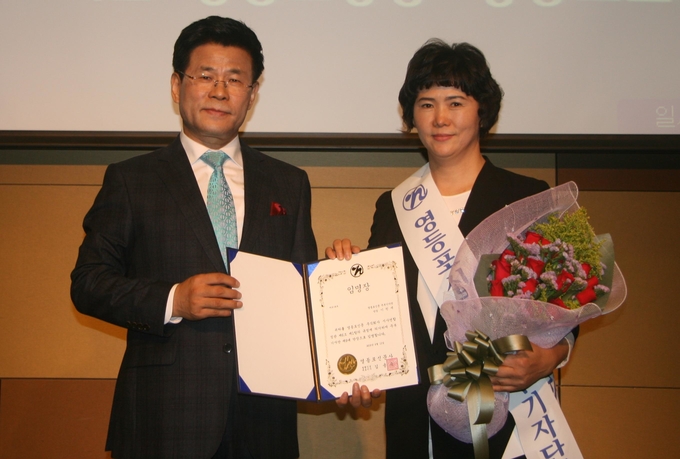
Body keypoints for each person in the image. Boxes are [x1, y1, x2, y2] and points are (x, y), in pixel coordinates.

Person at [71, 16, 317, 459]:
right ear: (176, 85)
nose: (219, 91)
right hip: (165, 417)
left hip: (264, 421)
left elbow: (303, 300)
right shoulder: (132, 180)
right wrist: (173, 300)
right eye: (205, 76)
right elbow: (88, 282)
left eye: (234, 79)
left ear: (252, 94)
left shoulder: (289, 183)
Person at [327, 40, 575, 458]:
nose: (440, 118)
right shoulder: (393, 206)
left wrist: (551, 356)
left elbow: (567, 300)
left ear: (482, 112)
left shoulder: (526, 198)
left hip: (501, 413)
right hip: (412, 422)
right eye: (426, 104)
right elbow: (380, 312)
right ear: (412, 117)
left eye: (455, 103)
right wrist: (347, 275)